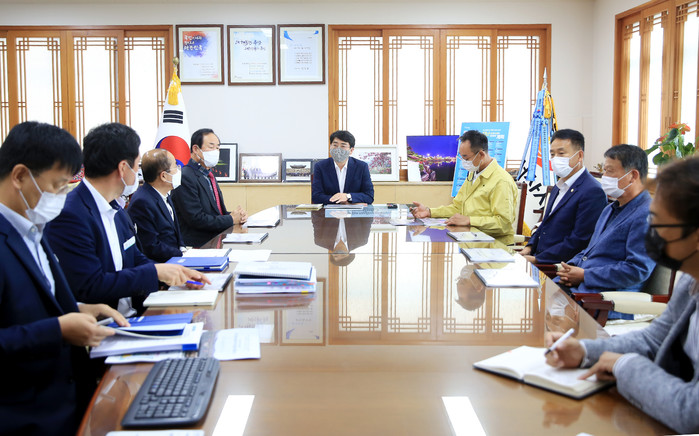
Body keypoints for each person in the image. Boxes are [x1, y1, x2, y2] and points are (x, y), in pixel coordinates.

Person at [545, 156, 699, 434]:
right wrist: (584, 351)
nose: (651, 232)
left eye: (659, 223)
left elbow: (692, 413)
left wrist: (624, 365)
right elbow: (654, 339)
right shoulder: (692, 279)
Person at [0, 121, 129, 436]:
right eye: (58, 186)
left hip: (69, 401)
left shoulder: (31, 225)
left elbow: (32, 301)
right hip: (26, 414)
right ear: (19, 176)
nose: (61, 196)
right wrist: (58, 329)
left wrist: (79, 308)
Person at [46, 123, 208, 315]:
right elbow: (90, 285)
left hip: (137, 308)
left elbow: (135, 257)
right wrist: (155, 273)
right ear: (123, 168)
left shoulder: (117, 207)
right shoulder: (70, 215)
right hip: (107, 322)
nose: (138, 173)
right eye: (137, 166)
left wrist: (172, 273)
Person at [555, 144, 655, 311]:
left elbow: (637, 270)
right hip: (578, 288)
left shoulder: (647, 214)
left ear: (633, 176)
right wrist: (570, 268)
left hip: (603, 298)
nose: (604, 176)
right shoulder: (609, 209)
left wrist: (585, 275)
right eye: (604, 171)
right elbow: (590, 251)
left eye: (609, 171)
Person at [411, 130, 518, 244]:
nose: (464, 163)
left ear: (481, 154)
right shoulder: (473, 174)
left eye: (466, 158)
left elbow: (503, 223)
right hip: (471, 240)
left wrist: (469, 220)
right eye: (461, 158)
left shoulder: (501, 181)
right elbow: (458, 207)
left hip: (495, 245)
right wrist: (429, 212)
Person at [521, 129, 608, 264]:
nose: (555, 159)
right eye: (552, 154)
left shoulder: (592, 191)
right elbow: (545, 224)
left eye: (561, 153)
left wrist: (538, 259)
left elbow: (579, 241)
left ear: (579, 156)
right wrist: (529, 247)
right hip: (538, 258)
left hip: (560, 266)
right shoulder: (558, 186)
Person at [171, 128, 247, 247]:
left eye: (218, 148)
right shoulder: (185, 176)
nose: (215, 151)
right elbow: (196, 219)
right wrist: (231, 219)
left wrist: (237, 216)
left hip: (214, 241)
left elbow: (216, 213)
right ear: (196, 149)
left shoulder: (208, 175)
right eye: (211, 147)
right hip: (197, 245)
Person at [128, 149, 186, 262]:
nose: (179, 170)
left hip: (175, 259)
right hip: (161, 265)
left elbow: (175, 233)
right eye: (175, 166)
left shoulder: (165, 194)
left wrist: (183, 248)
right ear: (164, 176)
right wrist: (182, 254)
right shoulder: (142, 202)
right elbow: (151, 246)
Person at [311, 130, 374, 205]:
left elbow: (369, 196)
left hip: (353, 212)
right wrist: (342, 201)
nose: (338, 149)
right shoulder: (320, 166)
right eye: (335, 145)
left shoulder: (361, 167)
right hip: (328, 211)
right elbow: (316, 196)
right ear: (330, 146)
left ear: (351, 150)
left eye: (343, 146)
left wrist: (347, 196)